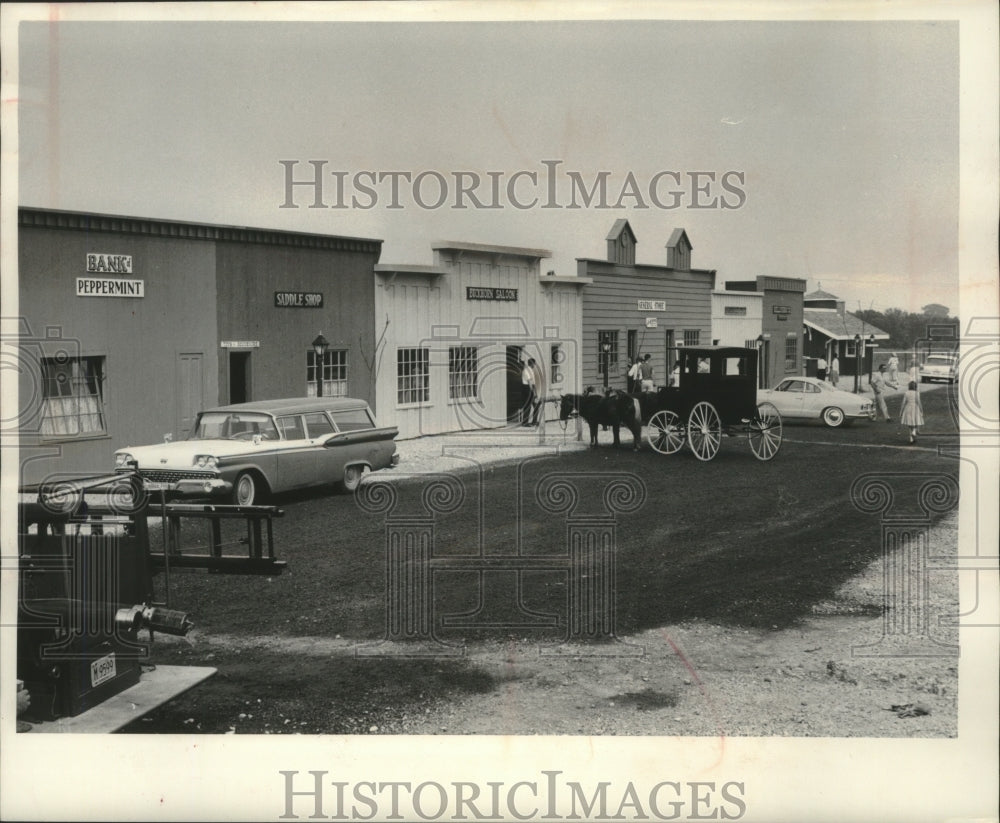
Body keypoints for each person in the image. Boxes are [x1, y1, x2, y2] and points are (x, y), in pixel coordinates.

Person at [530, 357, 547, 426]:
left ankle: (535, 421)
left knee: (536, 407)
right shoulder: (532, 371)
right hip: (534, 392)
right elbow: (533, 384)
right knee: (536, 407)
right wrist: (535, 393)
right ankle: (534, 421)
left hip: (536, 391)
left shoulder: (535, 371)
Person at [520, 358, 537, 426]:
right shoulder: (526, 371)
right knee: (528, 406)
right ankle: (525, 422)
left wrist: (535, 391)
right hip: (527, 388)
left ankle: (534, 421)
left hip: (531, 387)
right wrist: (533, 392)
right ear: (532, 364)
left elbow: (533, 383)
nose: (534, 365)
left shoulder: (531, 370)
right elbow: (530, 382)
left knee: (536, 405)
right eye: (534, 364)